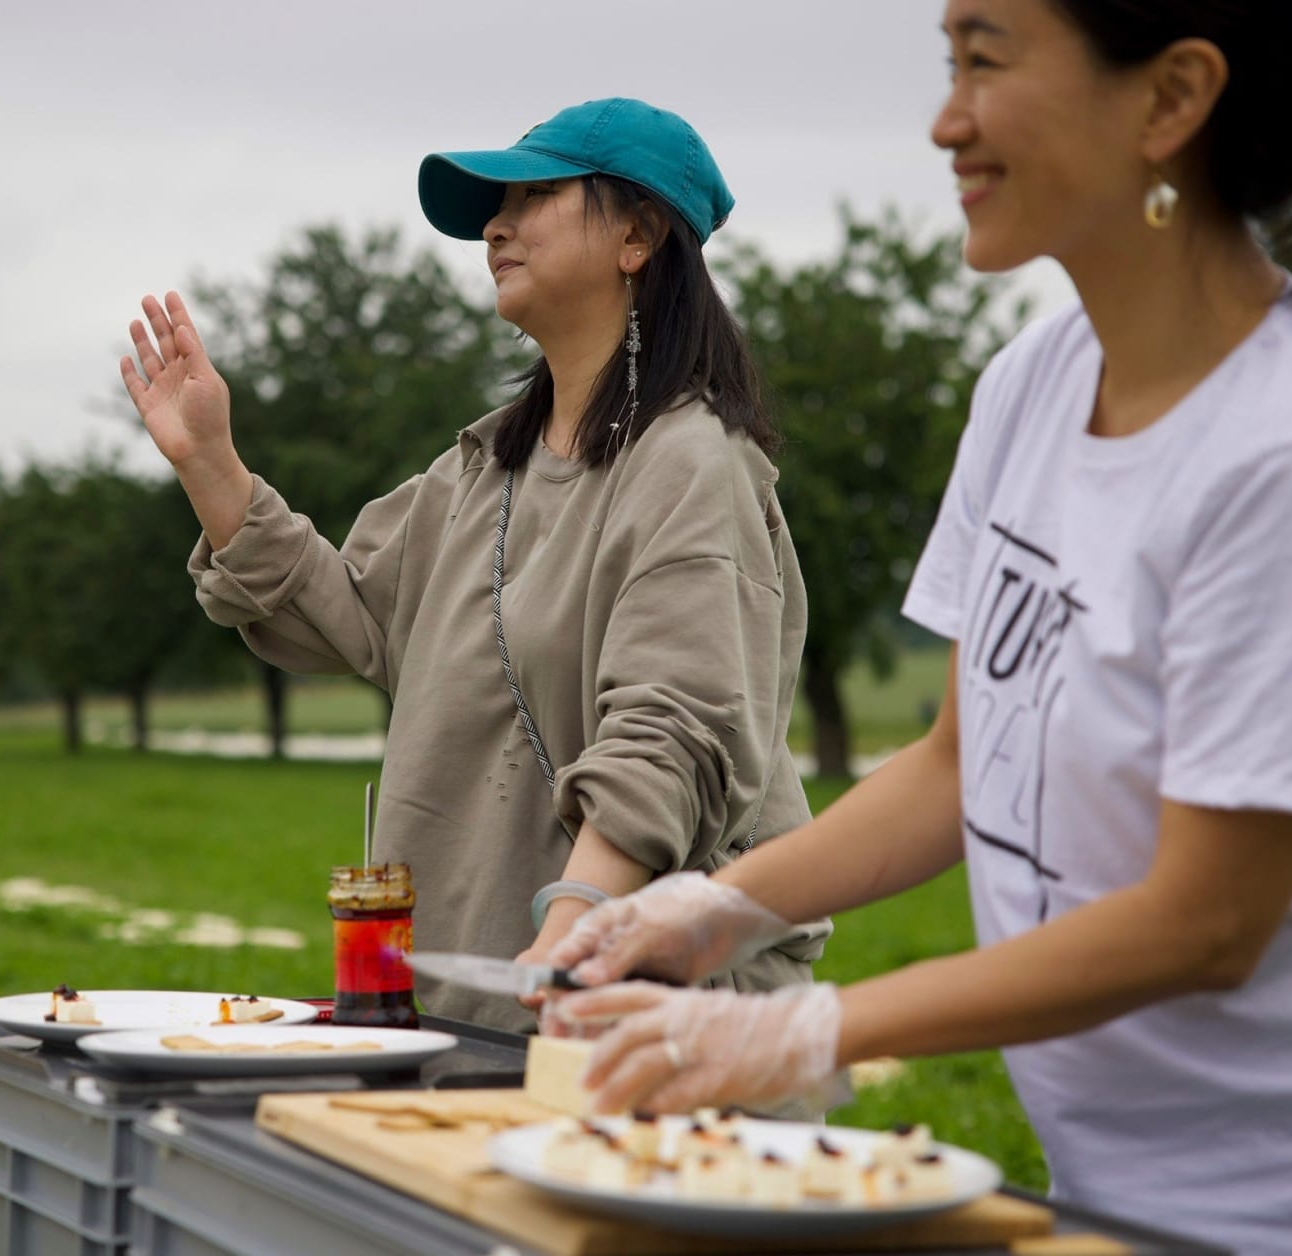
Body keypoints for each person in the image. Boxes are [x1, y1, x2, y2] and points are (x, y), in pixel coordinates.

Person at [546, 3, 1292, 1252]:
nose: (947, 121)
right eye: (947, 66)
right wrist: (716, 907)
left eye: (985, 63)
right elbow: (961, 765)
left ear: (1172, 100)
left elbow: (1210, 920)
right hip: (1092, 1184)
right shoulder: (1034, 384)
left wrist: (807, 1027)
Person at [118, 98, 829, 1032]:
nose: (496, 224)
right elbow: (343, 617)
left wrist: (568, 934)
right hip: (464, 1010)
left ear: (639, 234)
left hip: (629, 1022)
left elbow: (673, 733)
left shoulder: (692, 465)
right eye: (497, 204)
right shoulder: (482, 467)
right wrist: (210, 460)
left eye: (534, 195)